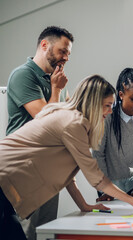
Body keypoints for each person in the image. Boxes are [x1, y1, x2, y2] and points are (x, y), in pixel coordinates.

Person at [0, 75, 133, 240]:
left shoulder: (69, 116)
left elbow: (68, 176)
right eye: (107, 106)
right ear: (94, 103)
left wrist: (83, 205)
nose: (111, 111)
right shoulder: (74, 123)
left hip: (7, 185)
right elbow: (96, 178)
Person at [5, 25, 73, 240]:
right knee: (26, 234)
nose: (66, 58)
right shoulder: (22, 76)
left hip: (48, 170)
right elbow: (47, 123)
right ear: (45, 45)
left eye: (69, 53)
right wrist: (57, 92)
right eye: (63, 51)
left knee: (46, 232)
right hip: (24, 170)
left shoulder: (55, 81)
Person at [93, 68, 133, 201]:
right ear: (121, 95)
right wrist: (105, 188)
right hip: (108, 185)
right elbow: (98, 154)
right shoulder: (107, 113)